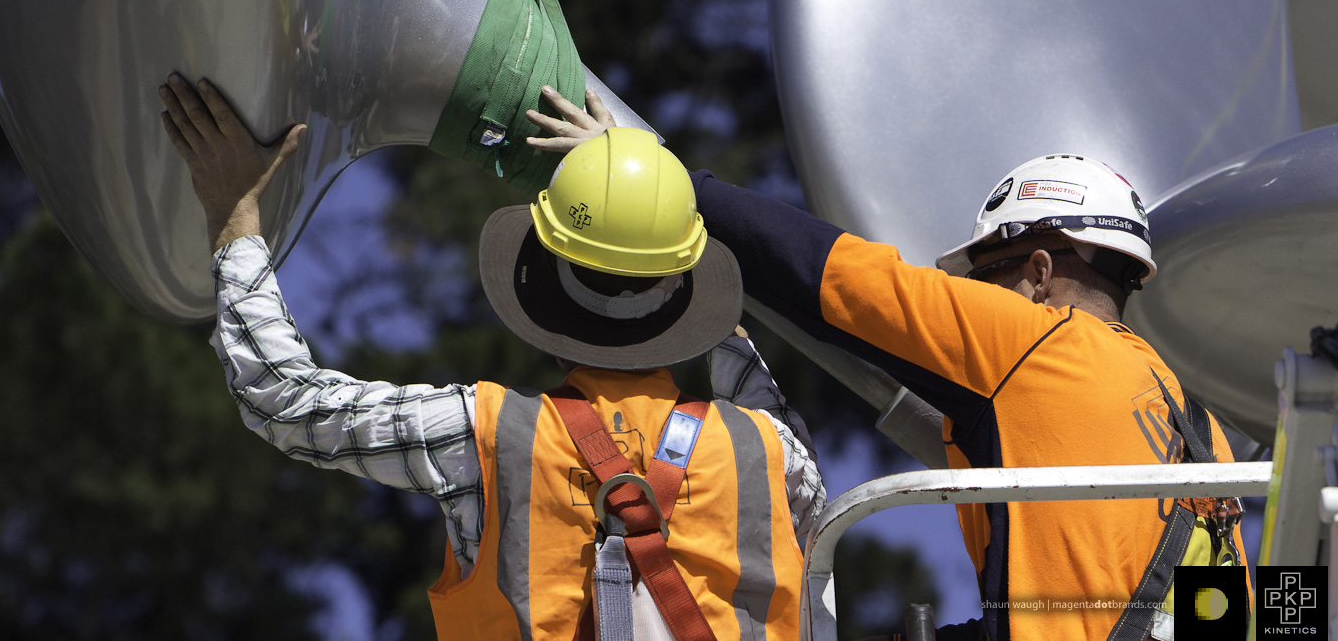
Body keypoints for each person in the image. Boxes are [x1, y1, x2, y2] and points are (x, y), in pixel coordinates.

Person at [526, 87, 1248, 641]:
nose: (969, 300)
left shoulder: (1034, 340)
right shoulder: (1200, 430)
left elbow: (834, 275)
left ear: (1035, 270)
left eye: (982, 279)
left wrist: (654, 181)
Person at [156, 73, 824, 641]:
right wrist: (642, 189)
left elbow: (282, 399)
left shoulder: (484, 435)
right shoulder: (773, 451)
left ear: (543, 285)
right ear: (688, 289)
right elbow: (734, 346)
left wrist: (236, 218)